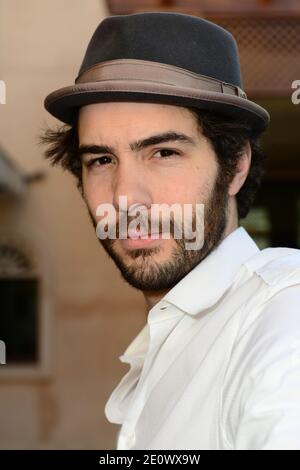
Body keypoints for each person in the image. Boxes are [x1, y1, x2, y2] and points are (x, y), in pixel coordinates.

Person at [41, 12, 300, 450]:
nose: (125, 197)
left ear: (235, 165)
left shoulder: (282, 314)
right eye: (101, 160)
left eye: (163, 152)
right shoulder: (166, 339)